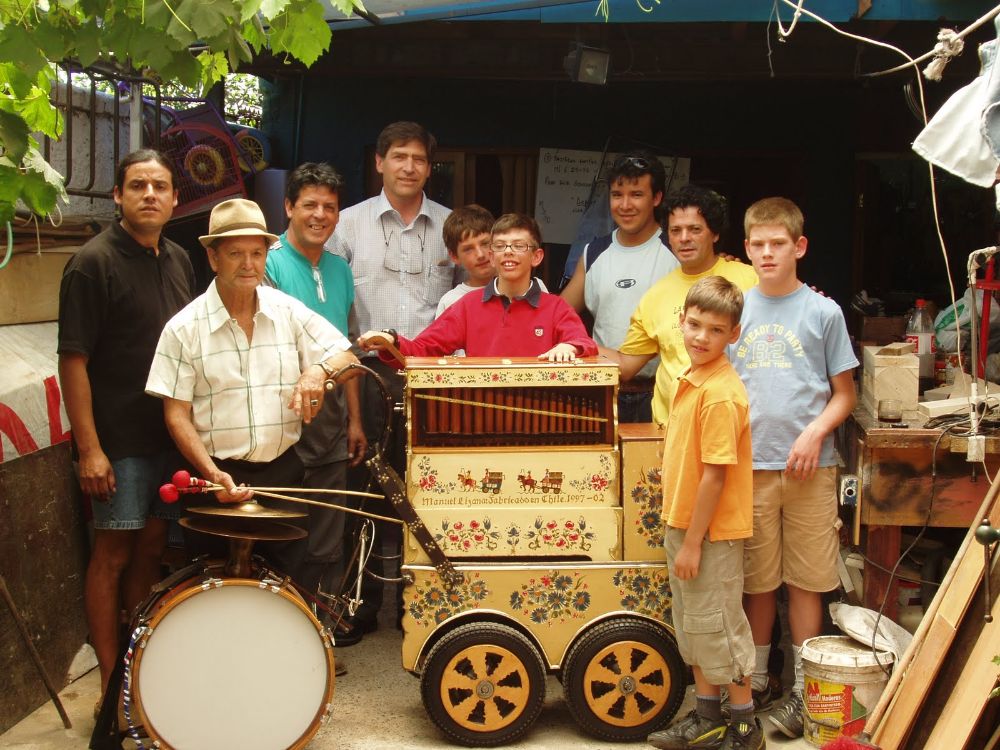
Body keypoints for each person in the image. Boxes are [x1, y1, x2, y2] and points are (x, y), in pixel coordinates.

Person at [145, 198, 361, 578]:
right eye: (235, 254)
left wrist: (317, 371)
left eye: (257, 253)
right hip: (215, 476)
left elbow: (348, 357)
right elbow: (176, 415)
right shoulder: (183, 328)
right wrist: (211, 474)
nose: (248, 264)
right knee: (213, 589)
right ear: (213, 258)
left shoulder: (285, 310)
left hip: (284, 474)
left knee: (283, 590)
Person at [58, 149, 194, 704]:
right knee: (112, 554)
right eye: (137, 185)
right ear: (117, 195)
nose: (150, 195)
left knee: (151, 551)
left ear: (174, 198)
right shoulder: (92, 263)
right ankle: (113, 682)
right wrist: (89, 449)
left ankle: (139, 667)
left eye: (160, 186)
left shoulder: (179, 259)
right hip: (116, 444)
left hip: (168, 436)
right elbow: (72, 360)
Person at [730, 198, 857, 739]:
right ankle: (757, 681)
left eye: (777, 243)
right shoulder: (735, 309)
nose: (766, 253)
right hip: (749, 468)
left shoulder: (823, 312)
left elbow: (844, 394)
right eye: (757, 244)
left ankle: (806, 692)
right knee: (757, 583)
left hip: (811, 468)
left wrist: (815, 431)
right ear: (746, 249)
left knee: (806, 583)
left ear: (799, 247)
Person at [331, 121, 453, 637]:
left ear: (429, 167)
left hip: (430, 380)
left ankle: (417, 606)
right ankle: (357, 605)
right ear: (378, 162)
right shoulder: (346, 224)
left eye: (419, 158)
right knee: (362, 489)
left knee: (424, 492)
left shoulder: (450, 226)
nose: (409, 166)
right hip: (364, 377)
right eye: (399, 156)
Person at [646, 276, 763, 750]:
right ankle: (707, 718)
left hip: (710, 534)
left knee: (722, 626)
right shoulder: (691, 379)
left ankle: (743, 726)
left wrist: (694, 541)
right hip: (685, 523)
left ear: (733, 335)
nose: (700, 337)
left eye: (715, 330)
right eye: (694, 325)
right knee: (696, 624)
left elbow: (716, 475)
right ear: (681, 321)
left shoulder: (720, 393)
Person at [264, 162, 367, 605]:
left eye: (329, 206)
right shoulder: (267, 263)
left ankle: (319, 637)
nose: (319, 215)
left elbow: (347, 352)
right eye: (309, 204)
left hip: (331, 423)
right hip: (280, 422)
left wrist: (355, 421)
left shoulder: (342, 269)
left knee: (328, 533)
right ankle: (279, 635)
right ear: (288, 207)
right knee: (284, 533)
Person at [600, 185, 758, 425]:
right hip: (671, 432)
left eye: (695, 229)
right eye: (676, 230)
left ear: (714, 234)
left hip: (736, 427)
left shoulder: (751, 280)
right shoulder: (655, 296)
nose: (684, 238)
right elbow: (625, 366)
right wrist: (575, 344)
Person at [359, 213, 597, 362]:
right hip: (481, 418)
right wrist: (391, 340)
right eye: (501, 246)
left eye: (518, 246)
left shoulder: (556, 307)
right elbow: (423, 348)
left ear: (536, 257)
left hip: (540, 421)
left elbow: (585, 343)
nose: (509, 252)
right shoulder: (468, 306)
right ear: (492, 257)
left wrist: (569, 345)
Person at [560, 150, 678, 422]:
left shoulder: (676, 250)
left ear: (657, 198)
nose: (625, 205)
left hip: (660, 392)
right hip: (602, 388)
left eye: (637, 194)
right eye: (617, 195)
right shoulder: (594, 252)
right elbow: (559, 314)